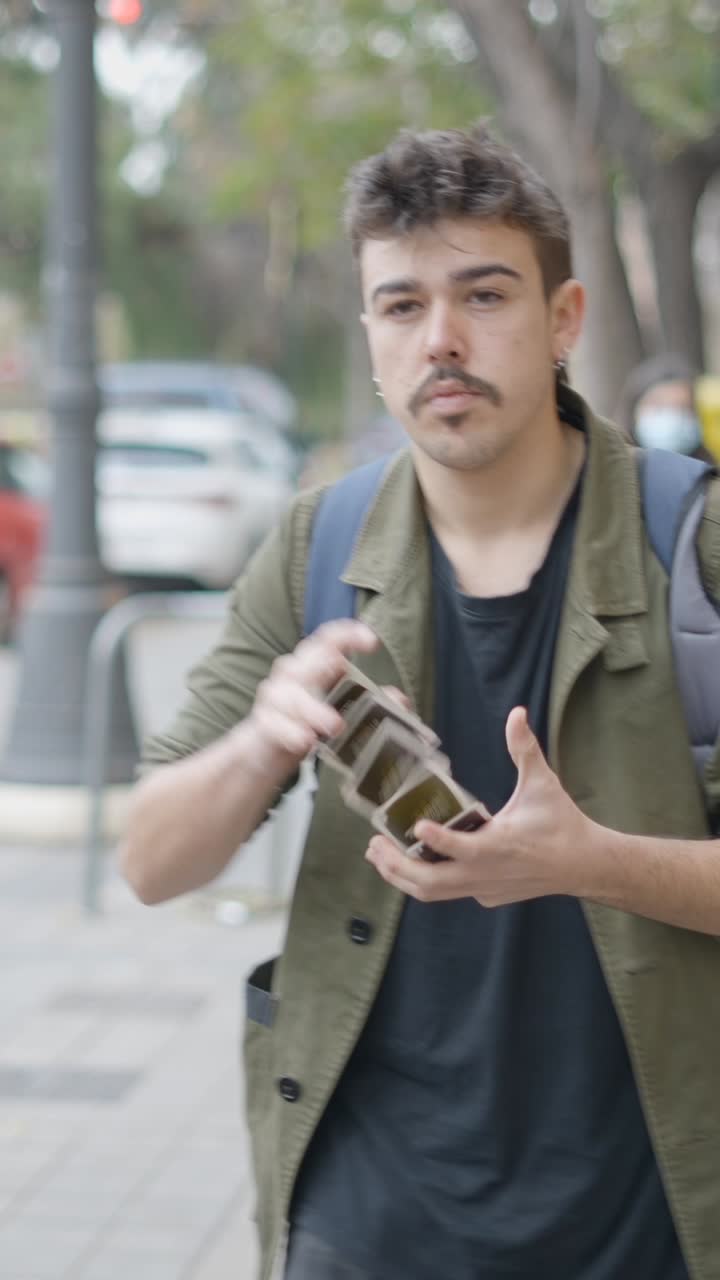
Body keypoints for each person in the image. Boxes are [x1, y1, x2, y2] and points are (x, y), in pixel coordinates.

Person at [120, 124, 720, 1280]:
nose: (440, 340)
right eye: (400, 306)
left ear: (563, 320)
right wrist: (263, 738)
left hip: (646, 1215)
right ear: (371, 333)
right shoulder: (315, 544)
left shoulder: (691, 543)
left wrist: (591, 860)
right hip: (366, 1218)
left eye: (483, 294)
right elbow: (149, 861)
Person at [616, 351, 713, 459]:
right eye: (658, 407)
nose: (672, 417)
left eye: (683, 408)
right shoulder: (609, 469)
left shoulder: (709, 472)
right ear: (633, 409)